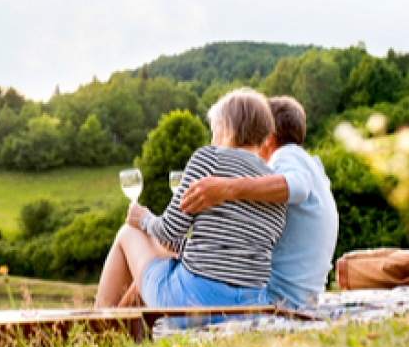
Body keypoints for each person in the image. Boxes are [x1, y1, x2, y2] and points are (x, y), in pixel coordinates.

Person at [94, 88, 286, 309]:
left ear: (225, 128)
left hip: (193, 300)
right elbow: (228, 252)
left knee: (128, 233)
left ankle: (97, 324)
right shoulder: (273, 185)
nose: (213, 139)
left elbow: (168, 231)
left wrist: (143, 219)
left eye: (214, 130)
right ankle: (120, 331)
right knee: (164, 258)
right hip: (250, 305)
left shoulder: (209, 159)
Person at [180, 96, 339, 308]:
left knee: (160, 253)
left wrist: (227, 189)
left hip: (277, 299)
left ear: (269, 139)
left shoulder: (286, 157)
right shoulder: (309, 164)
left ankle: (124, 324)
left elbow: (297, 186)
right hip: (298, 298)